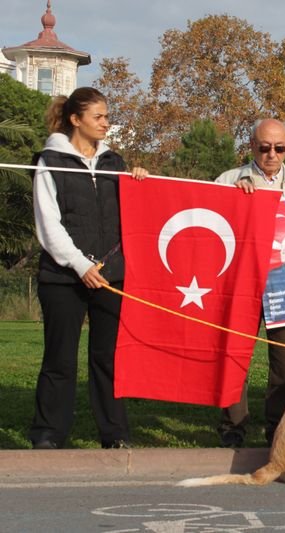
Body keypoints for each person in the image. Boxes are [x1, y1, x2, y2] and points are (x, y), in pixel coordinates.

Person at [29, 87, 147, 449]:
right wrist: (80, 265)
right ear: (75, 119)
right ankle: (48, 434)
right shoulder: (49, 161)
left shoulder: (115, 162)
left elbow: (132, 214)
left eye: (107, 116)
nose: (105, 123)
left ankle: (115, 433)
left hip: (111, 277)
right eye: (98, 117)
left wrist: (138, 182)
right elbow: (48, 224)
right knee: (60, 358)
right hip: (62, 278)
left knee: (108, 358)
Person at [215, 118, 285, 447]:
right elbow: (215, 230)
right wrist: (234, 200)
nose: (271, 154)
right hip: (240, 283)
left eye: (279, 147)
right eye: (264, 147)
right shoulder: (228, 181)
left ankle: (279, 430)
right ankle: (232, 428)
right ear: (251, 146)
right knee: (235, 356)